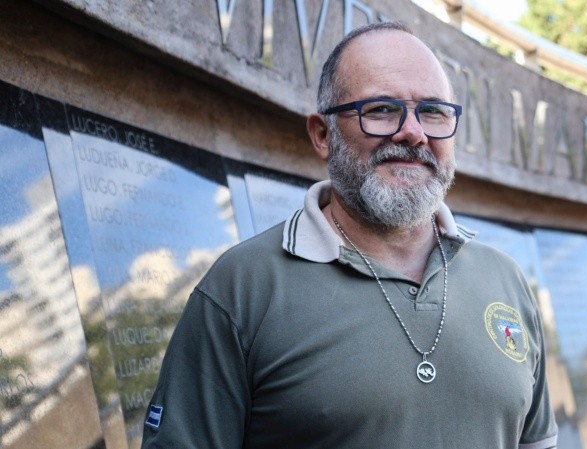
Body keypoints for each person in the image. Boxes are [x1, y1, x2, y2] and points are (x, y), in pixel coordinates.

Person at [141, 21, 558, 449]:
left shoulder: (504, 281)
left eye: (432, 111)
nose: (413, 132)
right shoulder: (242, 289)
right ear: (323, 135)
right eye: (380, 109)